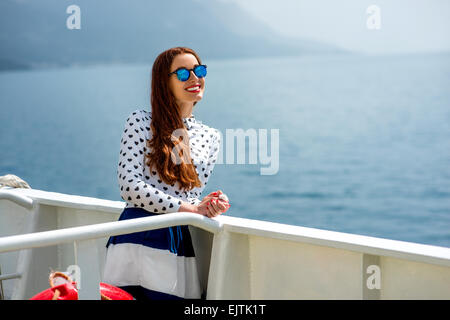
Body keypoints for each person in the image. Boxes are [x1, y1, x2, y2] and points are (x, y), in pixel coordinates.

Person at [102, 47, 230, 300]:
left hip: (175, 238)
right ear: (164, 82)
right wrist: (189, 209)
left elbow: (191, 195)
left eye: (199, 70)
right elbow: (129, 186)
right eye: (183, 73)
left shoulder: (211, 136)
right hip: (134, 233)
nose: (195, 78)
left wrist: (206, 205)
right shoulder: (140, 121)